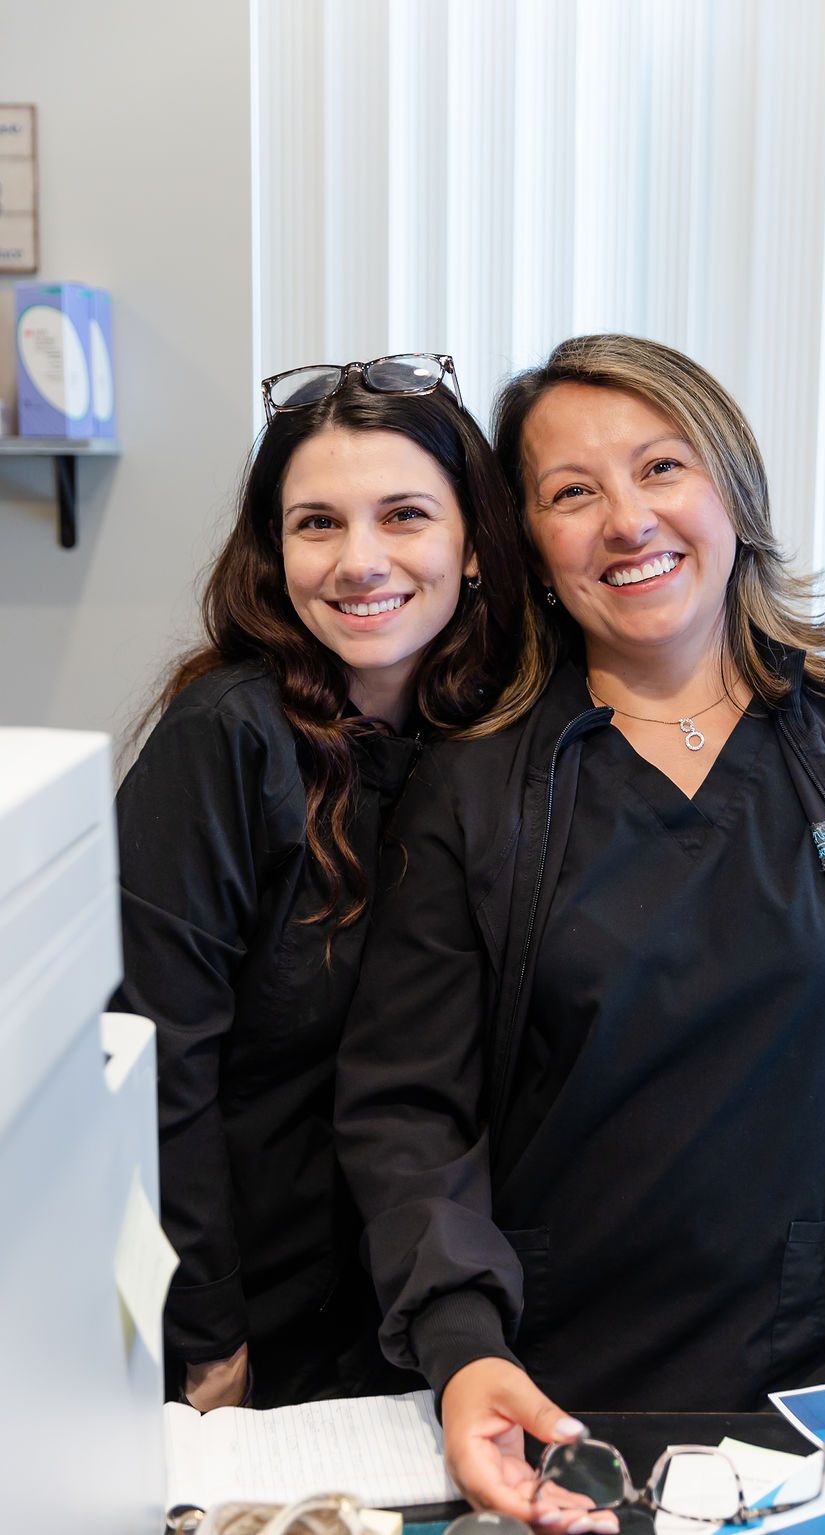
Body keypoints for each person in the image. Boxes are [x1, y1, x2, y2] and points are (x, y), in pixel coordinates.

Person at [334, 334, 825, 1516]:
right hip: (553, 1400)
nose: (624, 520)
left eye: (660, 467)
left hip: (824, 1400)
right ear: (534, 553)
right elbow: (409, 1109)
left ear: (731, 494)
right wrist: (461, 1339)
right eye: (569, 493)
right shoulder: (475, 788)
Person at [112, 354, 547, 1411]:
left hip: (446, 1302)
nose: (359, 561)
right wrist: (207, 1339)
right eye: (316, 523)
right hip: (251, 1313)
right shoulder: (229, 737)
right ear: (274, 551)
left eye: (403, 514)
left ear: (474, 543)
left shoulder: (509, 736)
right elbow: (159, 1066)